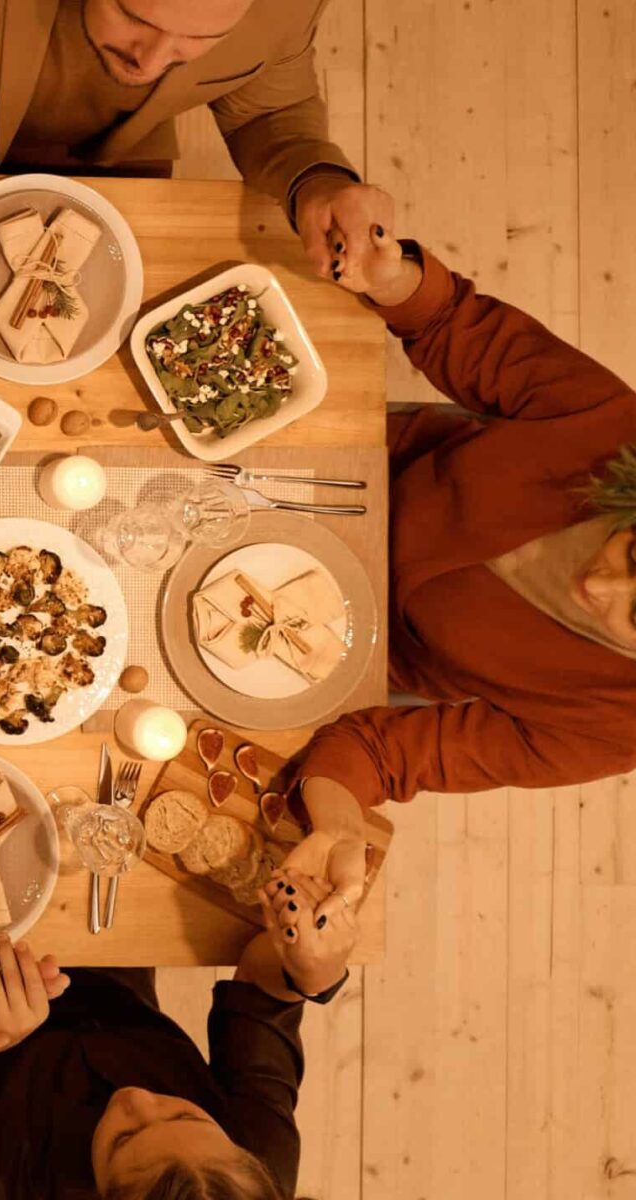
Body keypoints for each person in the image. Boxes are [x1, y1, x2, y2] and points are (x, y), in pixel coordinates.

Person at [270, 228, 636, 906]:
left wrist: (342, 825)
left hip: (319, 640)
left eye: (633, 615)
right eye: (633, 549)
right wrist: (391, 275)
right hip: (332, 474)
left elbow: (388, 754)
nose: (597, 583)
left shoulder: (618, 725)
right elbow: (450, 322)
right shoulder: (618, 432)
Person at [0, 872, 352, 1200]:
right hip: (109, 962)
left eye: (125, 1140)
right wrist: (310, 972)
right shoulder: (254, 1166)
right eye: (188, 1116)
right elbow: (260, 988)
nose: (136, 1098)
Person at [0, 0, 396, 294]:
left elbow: (272, 109)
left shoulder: (284, 9)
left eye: (196, 40)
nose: (151, 62)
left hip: (119, 163)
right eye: (134, 16)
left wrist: (317, 181)